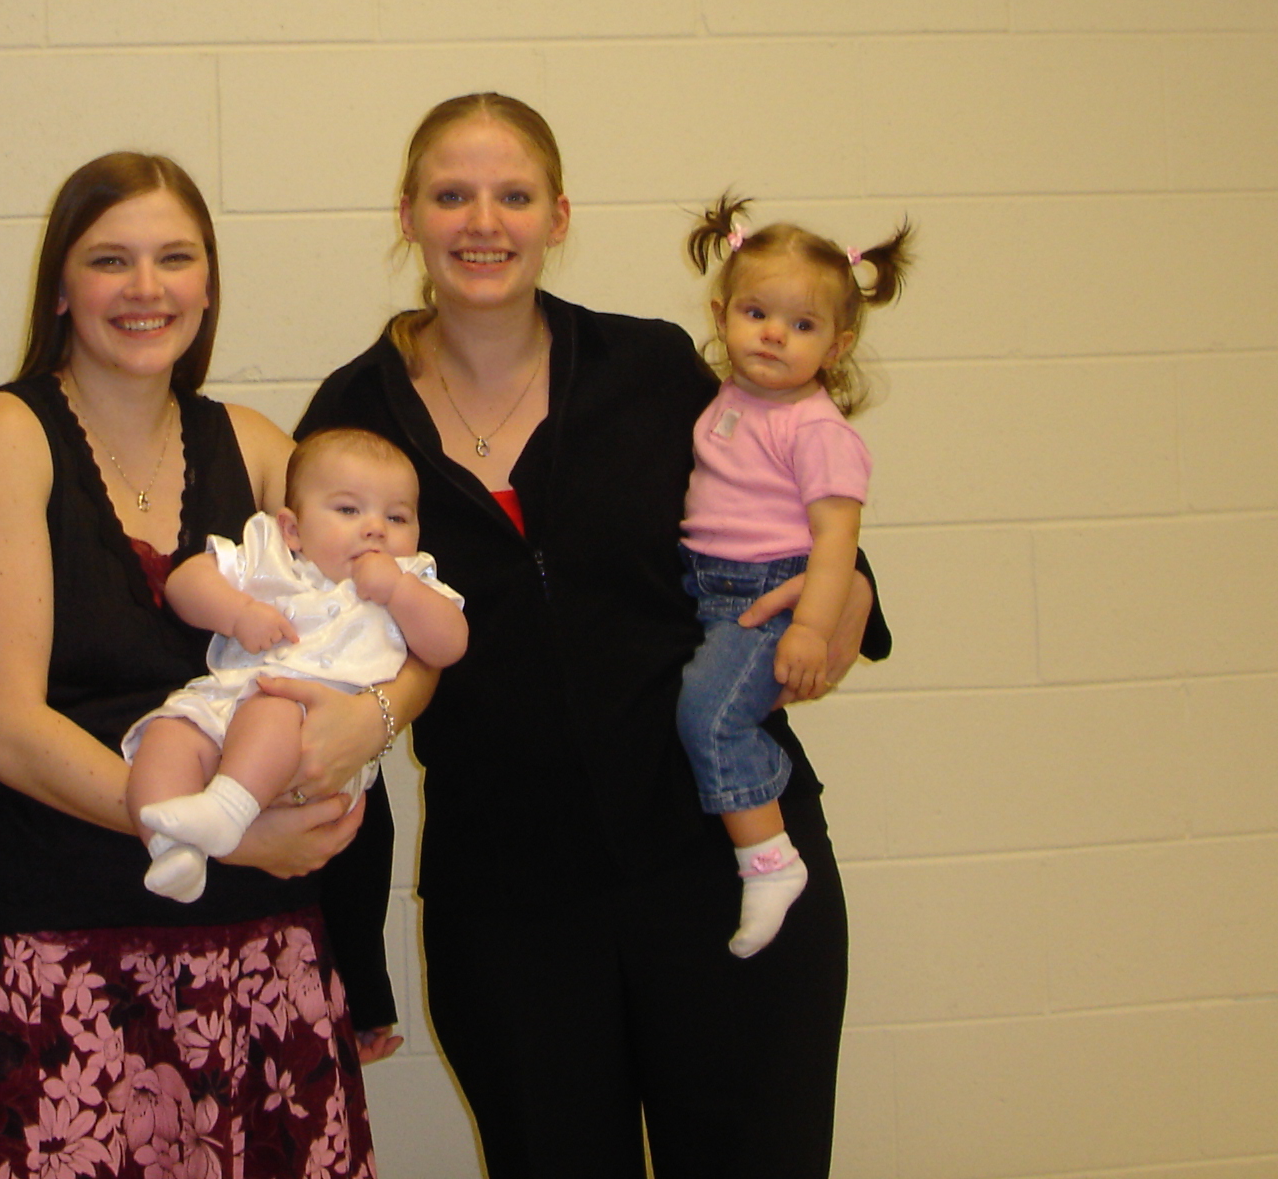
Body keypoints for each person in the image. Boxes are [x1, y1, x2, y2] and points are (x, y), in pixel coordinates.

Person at [299, 94, 890, 1179]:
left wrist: (842, 599)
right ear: (409, 214)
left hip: (722, 862)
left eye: (515, 195)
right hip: (511, 908)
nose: (485, 222)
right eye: (453, 195)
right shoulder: (352, 420)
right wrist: (352, 956)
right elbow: (328, 689)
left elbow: (805, 538)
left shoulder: (652, 370)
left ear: (559, 216)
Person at [0, 153, 402, 1179]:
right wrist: (228, 834)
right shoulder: (5, 437)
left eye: (175, 259)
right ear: (61, 287)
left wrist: (379, 715)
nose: (146, 288)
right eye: (111, 260)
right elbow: (6, 734)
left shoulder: (262, 447)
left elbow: (404, 613)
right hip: (61, 955)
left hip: (264, 960)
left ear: (209, 285)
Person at [674, 193, 911, 960]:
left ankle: (770, 859)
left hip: (766, 595)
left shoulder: (817, 429)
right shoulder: (727, 400)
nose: (774, 334)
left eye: (802, 325)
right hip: (706, 585)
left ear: (837, 346)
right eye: (757, 313)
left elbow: (837, 538)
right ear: (722, 315)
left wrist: (811, 625)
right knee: (700, 708)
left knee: (709, 716)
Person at [125, 428, 466, 904]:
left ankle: (225, 811)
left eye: (397, 517)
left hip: (318, 732)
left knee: (272, 708)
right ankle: (173, 850)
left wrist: (398, 591)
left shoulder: (411, 578)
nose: (375, 528)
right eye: (348, 510)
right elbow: (186, 583)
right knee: (166, 735)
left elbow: (449, 644)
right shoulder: (270, 556)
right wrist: (238, 613)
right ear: (292, 529)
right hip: (227, 701)